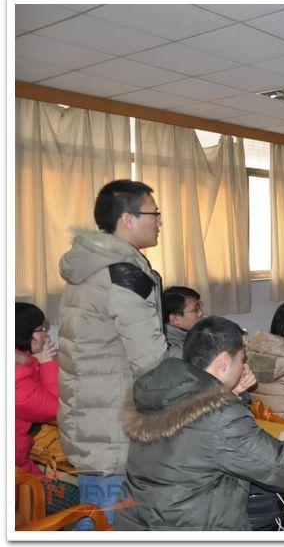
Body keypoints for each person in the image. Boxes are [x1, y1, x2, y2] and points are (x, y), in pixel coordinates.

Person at [114, 316, 284, 531]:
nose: (244, 366)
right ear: (224, 361)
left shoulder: (158, 393)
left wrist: (230, 394)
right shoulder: (221, 417)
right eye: (242, 359)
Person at [58, 179, 168, 528]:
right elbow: (152, 361)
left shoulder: (89, 266)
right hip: (113, 421)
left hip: (90, 413)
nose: (159, 222)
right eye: (154, 214)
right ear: (128, 219)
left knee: (94, 510)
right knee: (109, 519)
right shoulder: (123, 275)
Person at [15, 302, 59, 476]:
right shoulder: (15, 378)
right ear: (24, 334)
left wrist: (37, 360)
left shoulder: (19, 365)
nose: (45, 335)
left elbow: (37, 393)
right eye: (41, 330)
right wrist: (47, 363)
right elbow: (56, 409)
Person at [163, 286, 204, 359]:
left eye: (199, 307)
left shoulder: (189, 333)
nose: (201, 313)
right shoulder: (176, 352)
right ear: (175, 319)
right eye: (195, 310)